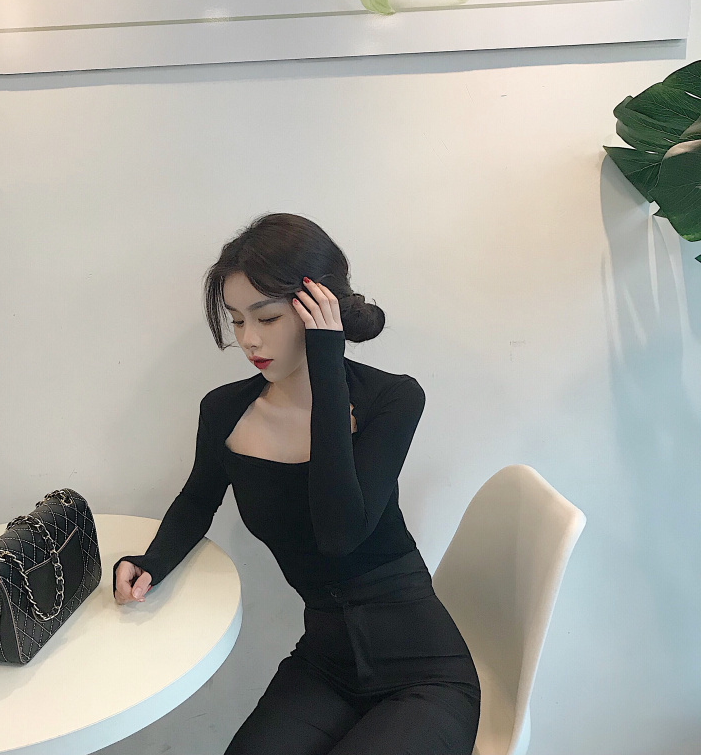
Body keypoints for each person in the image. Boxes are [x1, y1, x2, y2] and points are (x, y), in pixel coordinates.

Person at [112, 213, 481, 754]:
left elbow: (340, 531)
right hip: (326, 666)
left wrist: (327, 363)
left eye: (267, 317)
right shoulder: (225, 412)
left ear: (317, 309)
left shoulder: (393, 399)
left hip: (423, 673)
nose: (249, 339)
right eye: (237, 320)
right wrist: (152, 561)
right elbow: (197, 499)